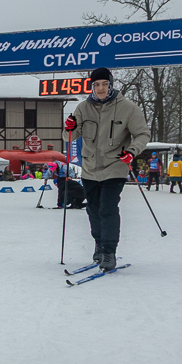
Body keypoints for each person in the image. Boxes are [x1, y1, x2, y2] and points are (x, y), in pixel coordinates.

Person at [63, 67, 150, 271]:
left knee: (107, 208)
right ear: (92, 86)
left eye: (104, 84)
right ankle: (99, 244)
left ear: (111, 85)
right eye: (96, 85)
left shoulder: (128, 108)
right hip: (90, 167)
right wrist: (69, 127)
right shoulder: (83, 108)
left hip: (115, 166)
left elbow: (142, 135)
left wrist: (132, 151)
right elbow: (69, 136)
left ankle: (109, 252)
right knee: (93, 208)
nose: (100, 88)